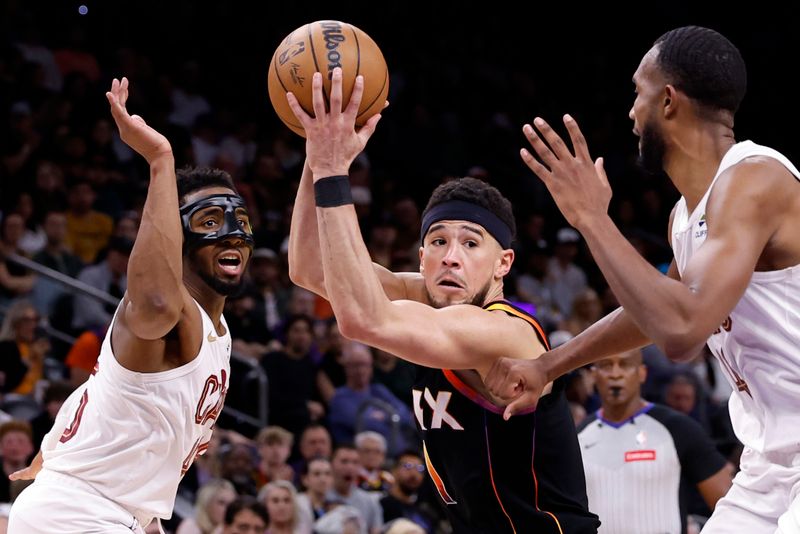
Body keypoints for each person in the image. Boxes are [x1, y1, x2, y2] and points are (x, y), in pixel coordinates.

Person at [484, 26, 800, 533]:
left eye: (639, 92)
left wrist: (592, 219)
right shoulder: (684, 217)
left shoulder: (754, 179)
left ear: (669, 101)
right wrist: (548, 365)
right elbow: (651, 315)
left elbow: (682, 329)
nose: (632, 112)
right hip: (769, 467)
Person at [285, 68, 598, 532]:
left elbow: (362, 320)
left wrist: (334, 172)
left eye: (471, 244)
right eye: (438, 242)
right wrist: (317, 153)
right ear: (421, 256)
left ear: (503, 264)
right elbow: (310, 267)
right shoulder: (427, 299)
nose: (451, 257)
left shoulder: (504, 331)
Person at [8, 77, 254, 532]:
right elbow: (157, 300)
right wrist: (160, 162)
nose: (233, 231)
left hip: (111, 513)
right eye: (211, 220)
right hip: (78, 514)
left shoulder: (217, 334)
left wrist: (51, 450)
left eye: (239, 219)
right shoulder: (164, 311)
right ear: (177, 236)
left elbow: (97, 392)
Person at [578, 349, 732, 533]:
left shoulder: (678, 428)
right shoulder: (577, 436)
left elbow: (730, 507)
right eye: (606, 366)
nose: (615, 374)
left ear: (642, 373)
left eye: (625, 365)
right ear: (594, 375)